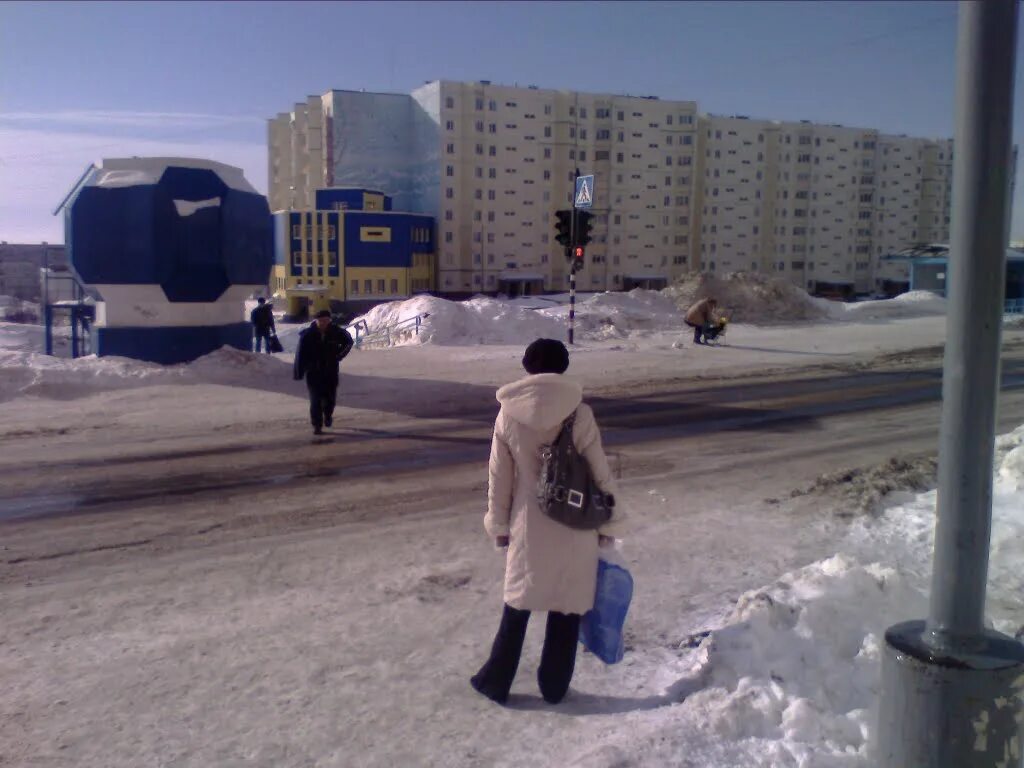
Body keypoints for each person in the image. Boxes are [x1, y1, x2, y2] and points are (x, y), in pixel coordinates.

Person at [471, 338, 625, 705]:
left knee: (518, 604)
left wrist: (500, 525)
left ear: (527, 367)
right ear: (563, 367)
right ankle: (554, 687)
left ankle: (496, 680)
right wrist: (611, 522)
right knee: (566, 606)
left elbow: (499, 478)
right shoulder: (580, 413)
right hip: (576, 520)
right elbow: (599, 472)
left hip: (528, 525)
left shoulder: (508, 414)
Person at [293, 309, 354, 435]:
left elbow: (349, 342)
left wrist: (339, 355)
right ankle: (317, 425)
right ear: (316, 321)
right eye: (320, 320)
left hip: (330, 370)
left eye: (326, 320)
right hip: (313, 372)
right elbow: (300, 353)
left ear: (329, 320)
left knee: (330, 398)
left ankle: (328, 415)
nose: (323, 323)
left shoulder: (336, 331)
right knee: (315, 399)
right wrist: (299, 371)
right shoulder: (308, 334)